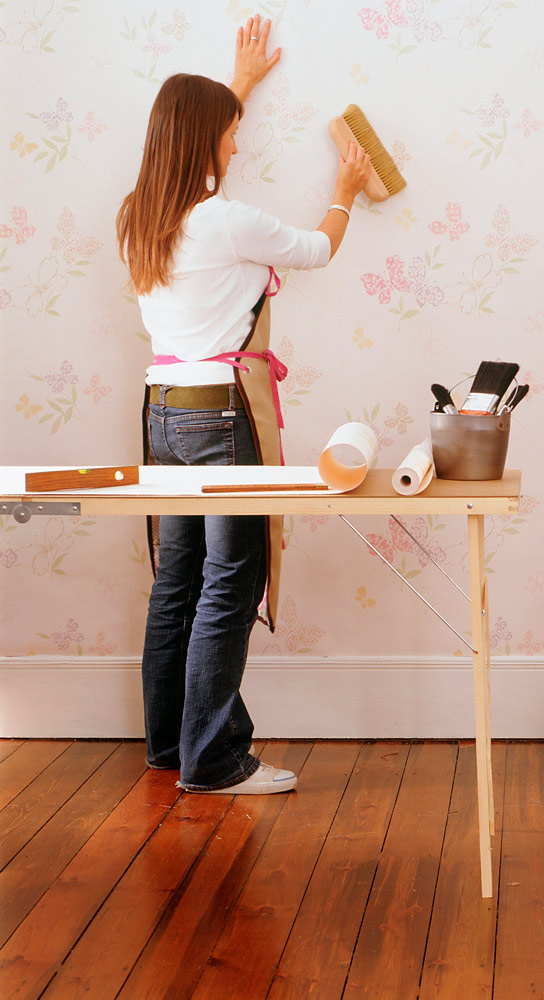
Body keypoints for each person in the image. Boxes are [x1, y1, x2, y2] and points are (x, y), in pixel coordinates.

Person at [116, 14, 371, 794]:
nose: (238, 145)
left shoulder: (140, 215)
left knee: (179, 580)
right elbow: (317, 249)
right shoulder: (227, 222)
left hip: (162, 413)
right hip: (221, 416)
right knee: (231, 578)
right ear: (203, 142)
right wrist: (344, 192)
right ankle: (215, 761)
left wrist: (239, 86)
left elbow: (195, 139)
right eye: (229, 136)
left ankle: (172, 747)